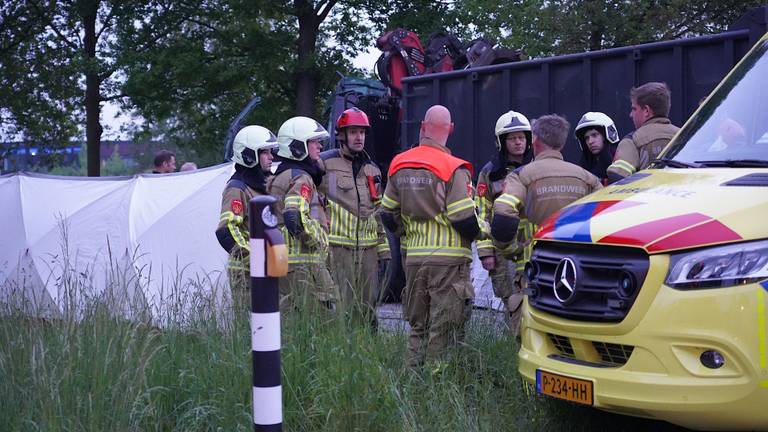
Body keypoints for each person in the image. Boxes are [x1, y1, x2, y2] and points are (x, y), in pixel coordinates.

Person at [381, 105, 485, 368]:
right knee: (444, 330)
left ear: (422, 128)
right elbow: (463, 217)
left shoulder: (398, 163)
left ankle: (412, 383)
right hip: (449, 264)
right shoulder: (454, 167)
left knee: (418, 328)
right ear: (450, 129)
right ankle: (438, 389)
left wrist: (407, 234)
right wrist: (481, 232)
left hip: (414, 260)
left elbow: (387, 213)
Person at [491, 114, 602, 255]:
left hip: (537, 262)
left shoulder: (520, 176)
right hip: (576, 261)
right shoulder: (588, 178)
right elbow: (603, 215)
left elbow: (504, 210)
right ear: (562, 144)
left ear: (535, 140)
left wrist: (508, 248)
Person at [319, 108, 390, 327]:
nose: (359, 137)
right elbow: (311, 200)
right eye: (353, 132)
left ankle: (367, 349)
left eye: (362, 132)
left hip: (368, 251)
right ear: (342, 135)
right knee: (342, 306)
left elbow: (378, 211)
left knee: (368, 307)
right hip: (338, 249)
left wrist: (384, 249)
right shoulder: (324, 165)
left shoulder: (372, 169)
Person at [268, 116, 338, 311]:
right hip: (304, 264)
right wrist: (318, 239)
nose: (320, 146)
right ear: (298, 147)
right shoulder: (301, 178)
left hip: (283, 260)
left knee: (290, 318)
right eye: (313, 142)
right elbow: (293, 216)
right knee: (323, 321)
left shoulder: (280, 176)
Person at [475, 110, 534, 337]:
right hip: (503, 251)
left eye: (521, 137)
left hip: (532, 247)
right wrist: (485, 252)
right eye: (512, 138)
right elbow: (482, 213)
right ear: (502, 141)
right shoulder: (490, 174)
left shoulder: (537, 167)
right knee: (510, 300)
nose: (518, 142)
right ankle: (514, 346)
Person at [215, 125, 278, 289]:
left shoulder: (262, 186)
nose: (271, 157)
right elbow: (226, 231)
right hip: (247, 274)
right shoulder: (237, 188)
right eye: (265, 152)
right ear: (250, 155)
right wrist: (256, 260)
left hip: (269, 269)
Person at [606, 82, 680, 183]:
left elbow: (617, 176)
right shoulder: (685, 137)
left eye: (634, 109)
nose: (630, 115)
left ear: (646, 111)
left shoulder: (633, 140)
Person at [574, 111, 620, 183]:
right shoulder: (582, 166)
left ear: (606, 135)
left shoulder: (621, 159)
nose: (590, 141)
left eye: (594, 135)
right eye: (586, 138)